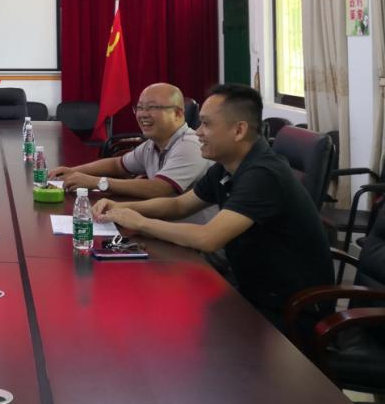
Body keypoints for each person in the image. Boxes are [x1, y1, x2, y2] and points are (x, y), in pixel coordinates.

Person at [93, 84, 333, 333]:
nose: (198, 132)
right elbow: (178, 205)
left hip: (289, 311)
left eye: (206, 124)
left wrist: (140, 222)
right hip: (250, 289)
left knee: (165, 323)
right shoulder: (226, 166)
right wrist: (121, 209)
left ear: (238, 130)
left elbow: (208, 239)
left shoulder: (263, 175)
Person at [50, 83, 214, 222]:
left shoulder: (191, 145)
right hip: (162, 227)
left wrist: (97, 182)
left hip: (191, 241)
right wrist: (73, 171)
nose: (143, 114)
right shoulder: (152, 144)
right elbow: (117, 165)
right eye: (139, 108)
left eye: (152, 108)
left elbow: (160, 188)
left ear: (178, 113)